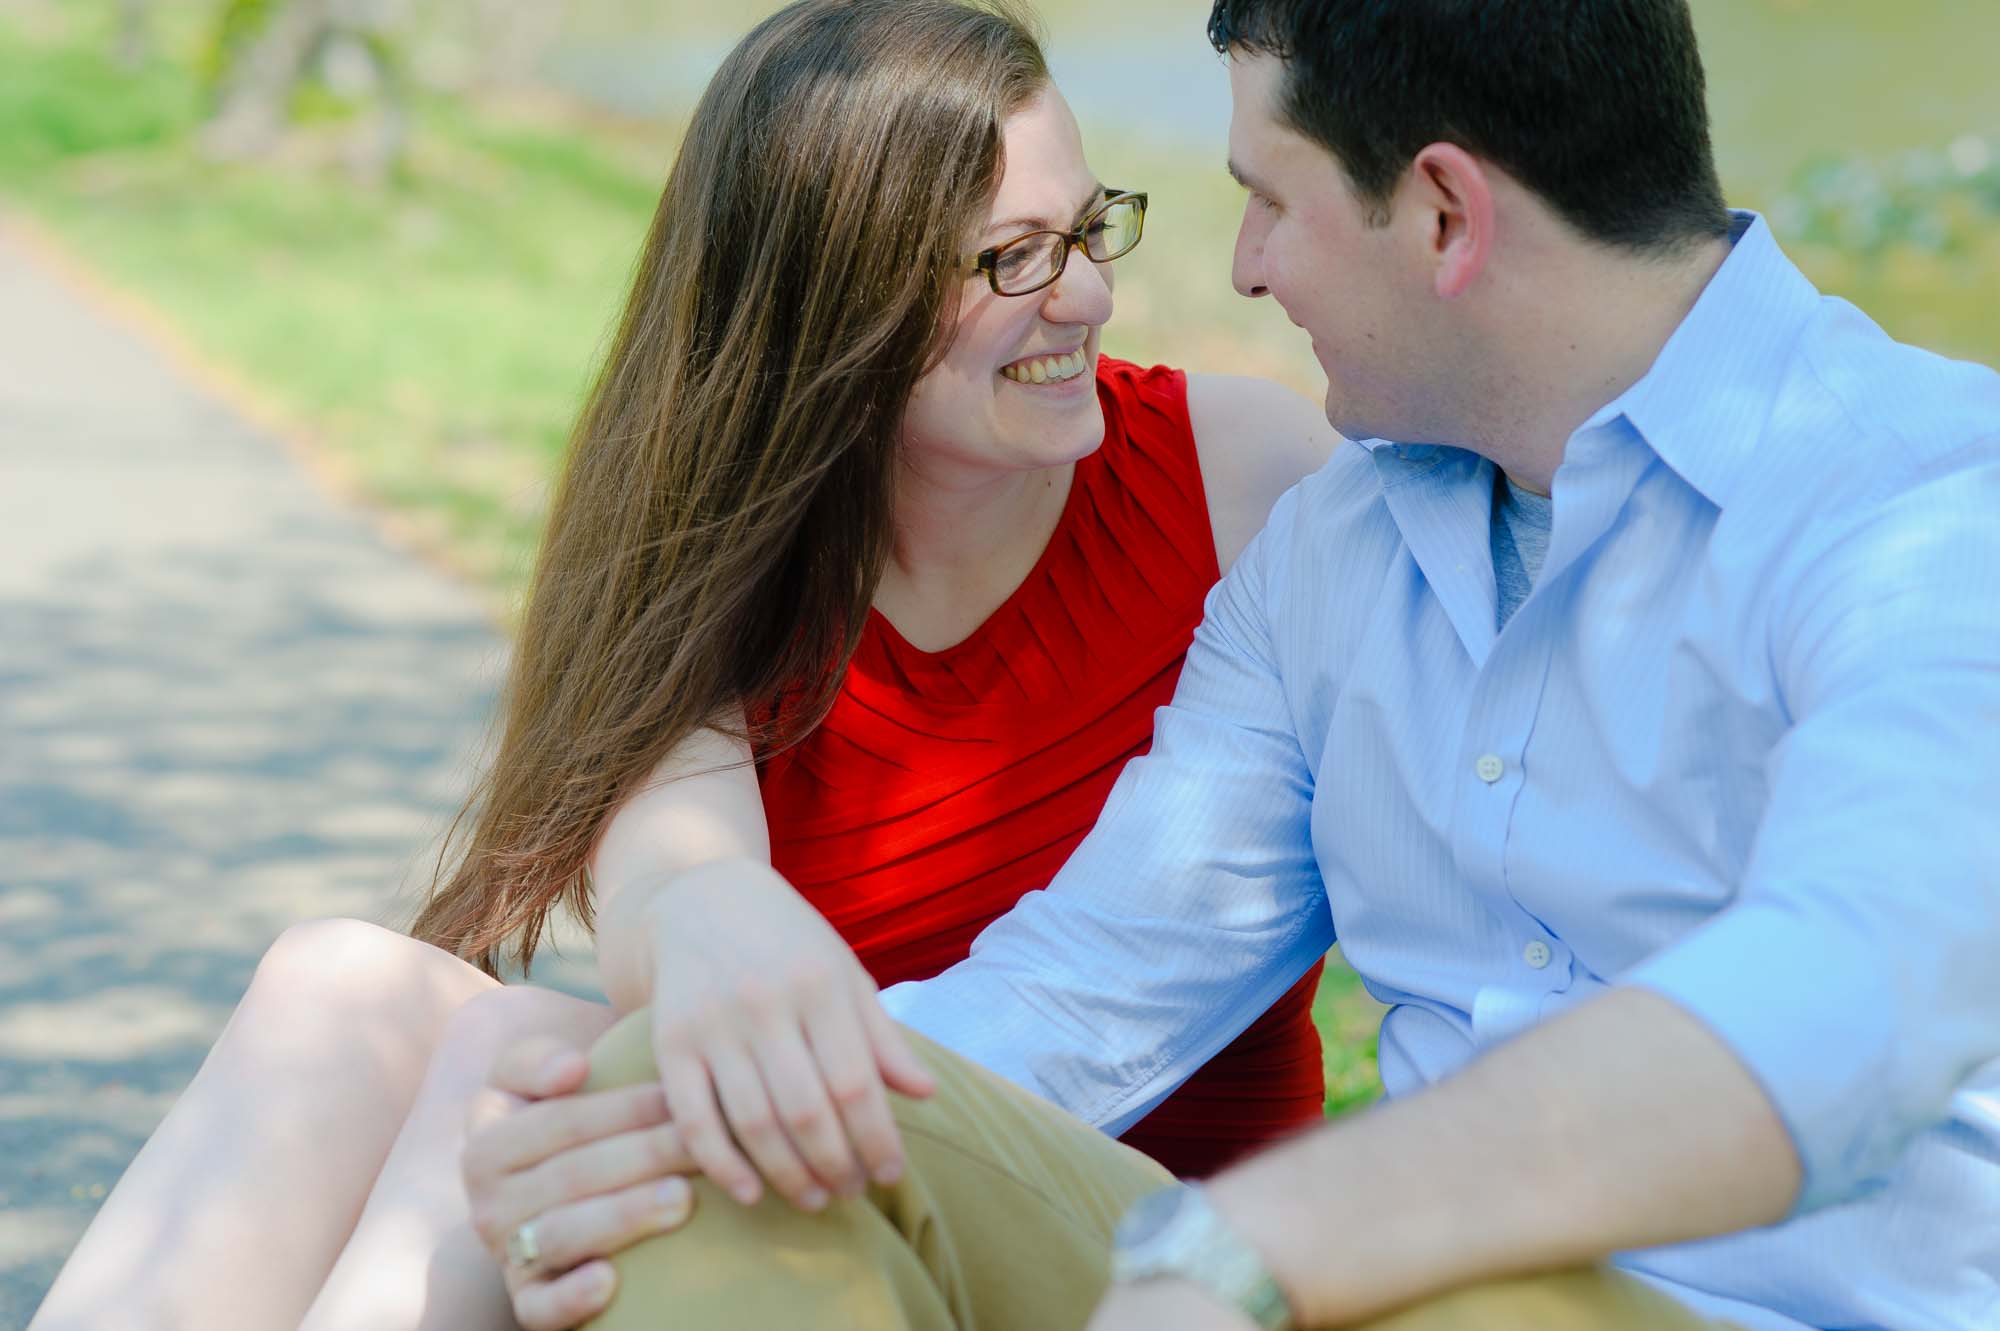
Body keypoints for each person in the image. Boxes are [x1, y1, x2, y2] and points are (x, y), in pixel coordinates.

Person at [466, 1, 2000, 1329]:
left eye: (1268, 201)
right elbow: (1087, 991)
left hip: (1704, 1307)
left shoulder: (1925, 504)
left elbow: (1848, 1002)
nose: (1245, 272)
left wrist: (1270, 1235)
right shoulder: (1339, 553)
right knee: (711, 1140)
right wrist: (679, 1114)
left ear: (1447, 216)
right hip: (1382, 1291)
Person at [24, 4, 1340, 1330]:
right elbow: (672, 876)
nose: (1090, 297)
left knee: (523, 1050)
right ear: (843, 297)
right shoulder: (729, 552)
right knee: (335, 984)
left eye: (1088, 226)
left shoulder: (1241, 473)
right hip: (825, 1206)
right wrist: (714, 916)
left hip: (1157, 1252)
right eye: (1013, 259)